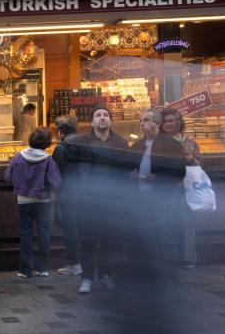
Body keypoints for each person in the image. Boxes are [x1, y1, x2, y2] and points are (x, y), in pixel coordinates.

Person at [65, 106, 129, 294]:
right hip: (88, 200)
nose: (102, 118)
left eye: (106, 115)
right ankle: (86, 278)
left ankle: (105, 275)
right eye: (98, 115)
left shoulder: (120, 142)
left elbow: (126, 168)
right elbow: (71, 168)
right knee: (88, 240)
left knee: (111, 240)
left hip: (113, 200)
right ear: (92, 122)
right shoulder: (80, 142)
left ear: (110, 120)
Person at [127, 109, 186, 280]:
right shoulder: (137, 146)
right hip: (140, 198)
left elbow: (178, 171)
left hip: (162, 198)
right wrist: (131, 175)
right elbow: (129, 167)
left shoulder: (171, 145)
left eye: (146, 120)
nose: (142, 124)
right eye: (140, 121)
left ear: (157, 124)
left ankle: (167, 272)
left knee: (164, 233)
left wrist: (157, 178)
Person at [4, 127, 61, 279]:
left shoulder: (18, 157)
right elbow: (55, 182)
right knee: (44, 233)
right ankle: (43, 268)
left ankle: (25, 269)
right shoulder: (48, 159)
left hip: (23, 200)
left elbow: (8, 177)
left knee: (26, 234)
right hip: (43, 200)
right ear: (47, 143)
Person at [158, 107, 201, 269]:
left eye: (172, 120)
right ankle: (168, 259)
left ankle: (187, 259)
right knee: (163, 223)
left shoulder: (189, 141)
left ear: (179, 123)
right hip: (162, 187)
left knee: (185, 223)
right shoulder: (155, 141)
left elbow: (199, 163)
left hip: (185, 188)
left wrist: (190, 159)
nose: (169, 124)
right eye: (165, 121)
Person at [52, 115, 82, 276]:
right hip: (85, 193)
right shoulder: (86, 144)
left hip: (67, 193)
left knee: (70, 228)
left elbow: (55, 173)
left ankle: (74, 263)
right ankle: (86, 261)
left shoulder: (61, 148)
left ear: (61, 132)